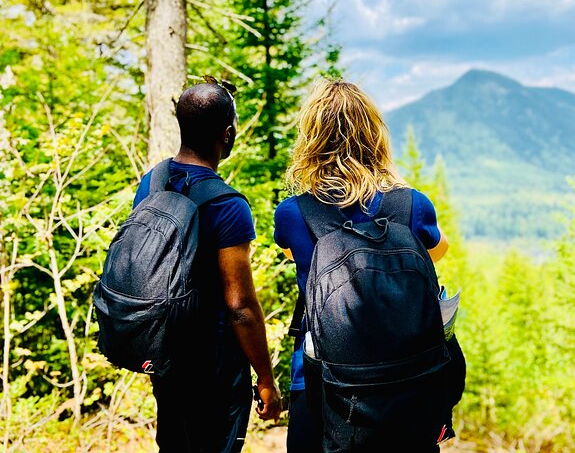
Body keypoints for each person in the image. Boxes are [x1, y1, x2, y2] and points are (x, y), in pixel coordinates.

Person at [274, 79, 455, 453]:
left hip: (320, 380)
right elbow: (437, 252)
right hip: (407, 378)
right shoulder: (412, 205)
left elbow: (292, 255)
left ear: (311, 139)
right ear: (374, 136)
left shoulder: (294, 213)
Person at [133, 80, 282, 452]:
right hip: (213, 366)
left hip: (166, 355)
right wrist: (265, 378)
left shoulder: (151, 182)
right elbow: (240, 307)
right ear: (227, 134)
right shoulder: (227, 204)